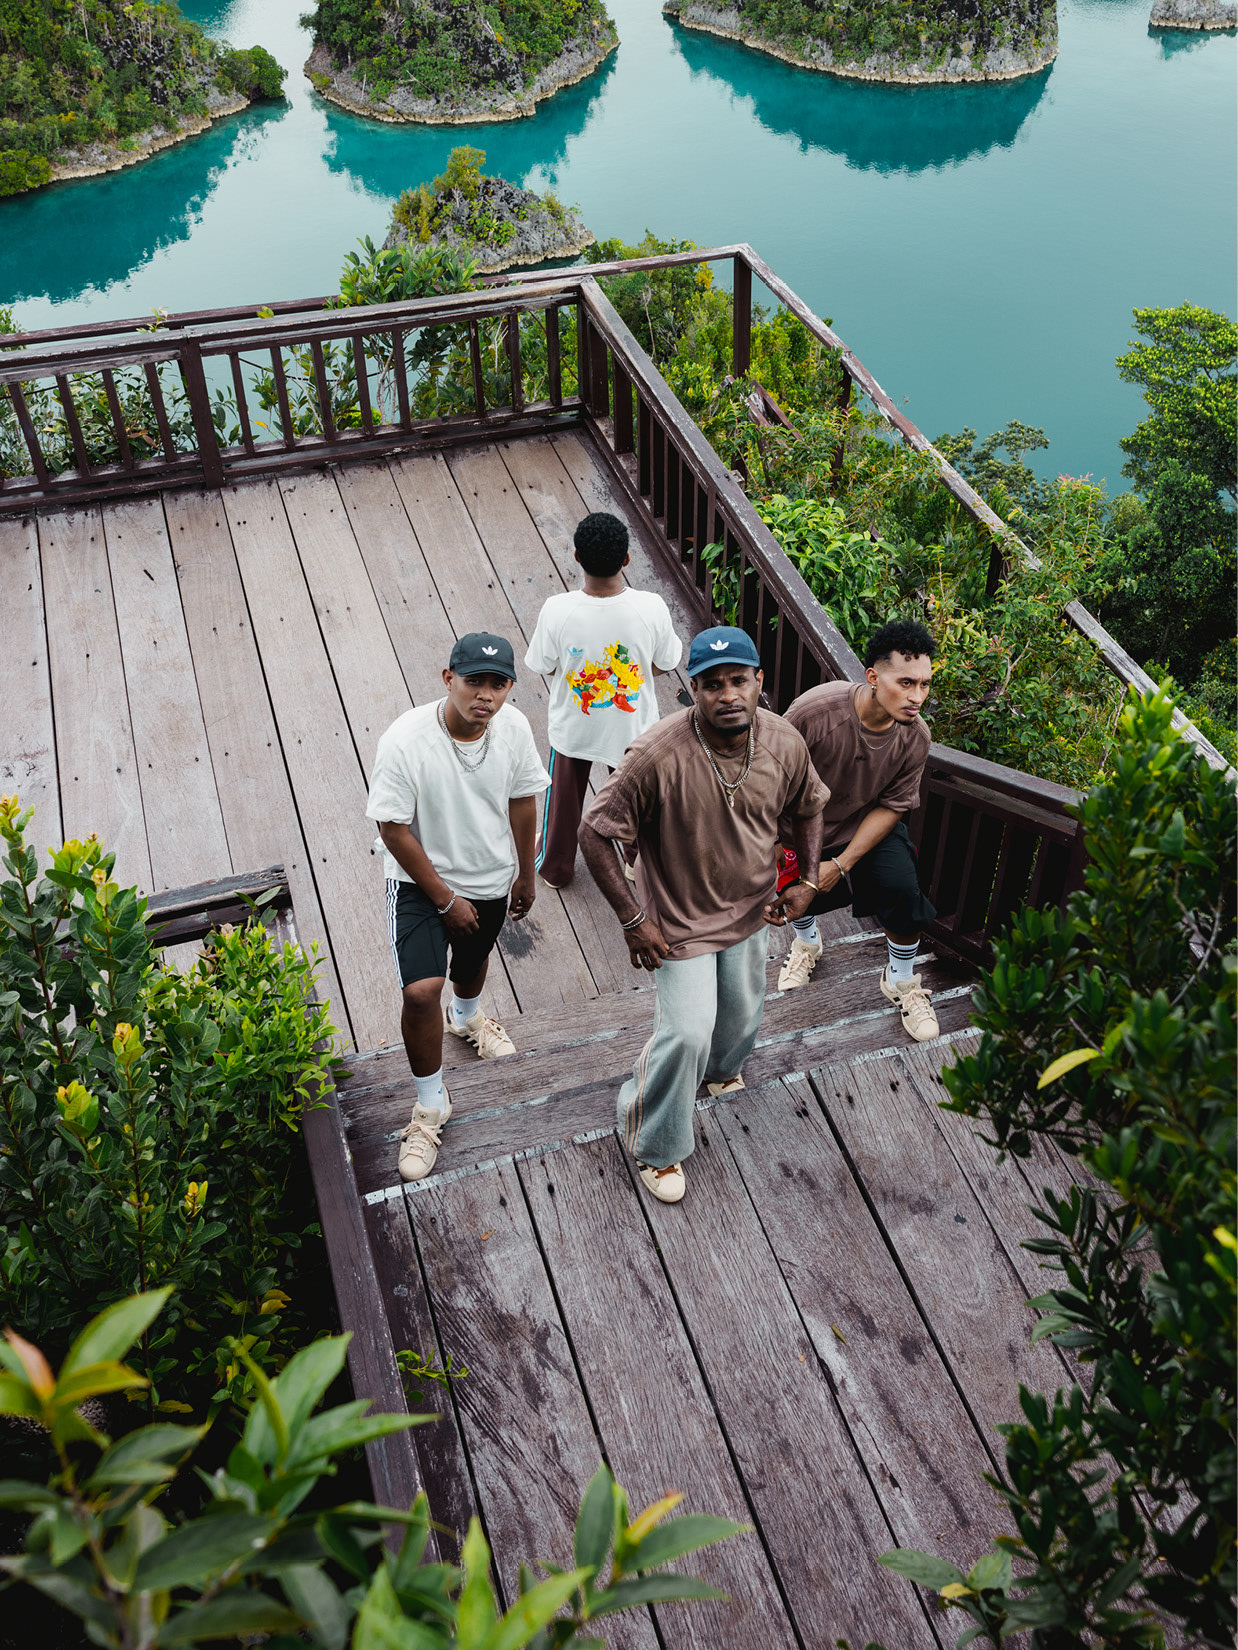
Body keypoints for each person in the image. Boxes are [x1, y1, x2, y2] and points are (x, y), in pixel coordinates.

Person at [578, 626, 828, 1205]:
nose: (727, 695)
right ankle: (654, 1141)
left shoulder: (784, 741)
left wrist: (809, 881)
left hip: (753, 908)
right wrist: (633, 919)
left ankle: (721, 1070)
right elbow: (594, 834)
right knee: (685, 1033)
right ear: (693, 689)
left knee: (740, 1019)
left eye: (738, 680)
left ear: (758, 682)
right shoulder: (657, 755)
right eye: (711, 684)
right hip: (677, 924)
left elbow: (811, 804)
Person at [366, 633, 550, 1182]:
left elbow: (522, 799)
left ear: (511, 688)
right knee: (421, 990)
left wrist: (526, 870)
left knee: (471, 965)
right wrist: (445, 898)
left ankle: (467, 1020)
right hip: (422, 880)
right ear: (449, 679)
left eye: (498, 685)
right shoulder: (405, 740)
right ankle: (429, 1107)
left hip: (491, 876)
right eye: (474, 682)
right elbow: (391, 827)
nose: (486, 696)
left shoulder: (513, 729)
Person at [775, 618, 940, 1043]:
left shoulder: (915, 736)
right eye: (906, 683)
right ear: (872, 677)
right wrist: (773, 839)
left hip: (863, 825)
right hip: (796, 826)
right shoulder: (815, 712)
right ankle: (807, 944)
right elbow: (769, 774)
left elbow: (893, 805)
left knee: (903, 891)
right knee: (792, 891)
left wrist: (842, 864)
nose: (916, 696)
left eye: (924, 684)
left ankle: (901, 979)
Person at [524, 511, 682, 888]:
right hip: (633, 728)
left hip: (574, 726)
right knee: (637, 802)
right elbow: (665, 662)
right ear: (626, 559)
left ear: (577, 557)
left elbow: (544, 664)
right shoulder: (651, 607)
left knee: (562, 803)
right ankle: (637, 861)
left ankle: (555, 867)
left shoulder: (557, 609)